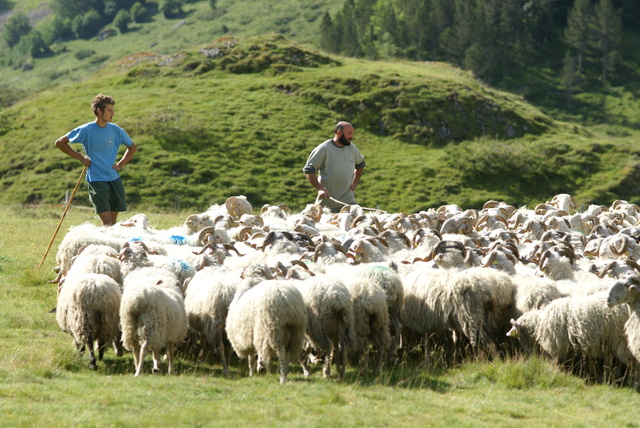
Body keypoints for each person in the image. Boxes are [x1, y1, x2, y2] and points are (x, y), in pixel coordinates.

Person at [54, 94, 137, 226]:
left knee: (113, 224)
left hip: (114, 179)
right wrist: (81, 157)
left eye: (113, 110)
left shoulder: (116, 130)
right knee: (108, 223)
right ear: (99, 111)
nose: (113, 113)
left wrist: (120, 165)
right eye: (109, 110)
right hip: (96, 180)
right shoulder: (86, 129)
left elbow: (132, 147)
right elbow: (60, 143)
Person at [303, 121, 365, 213]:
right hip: (326, 206)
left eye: (353, 133)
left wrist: (355, 182)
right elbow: (308, 170)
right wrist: (320, 188)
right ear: (339, 133)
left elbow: (360, 164)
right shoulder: (324, 148)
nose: (352, 136)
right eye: (349, 133)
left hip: (349, 204)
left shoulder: (352, 148)